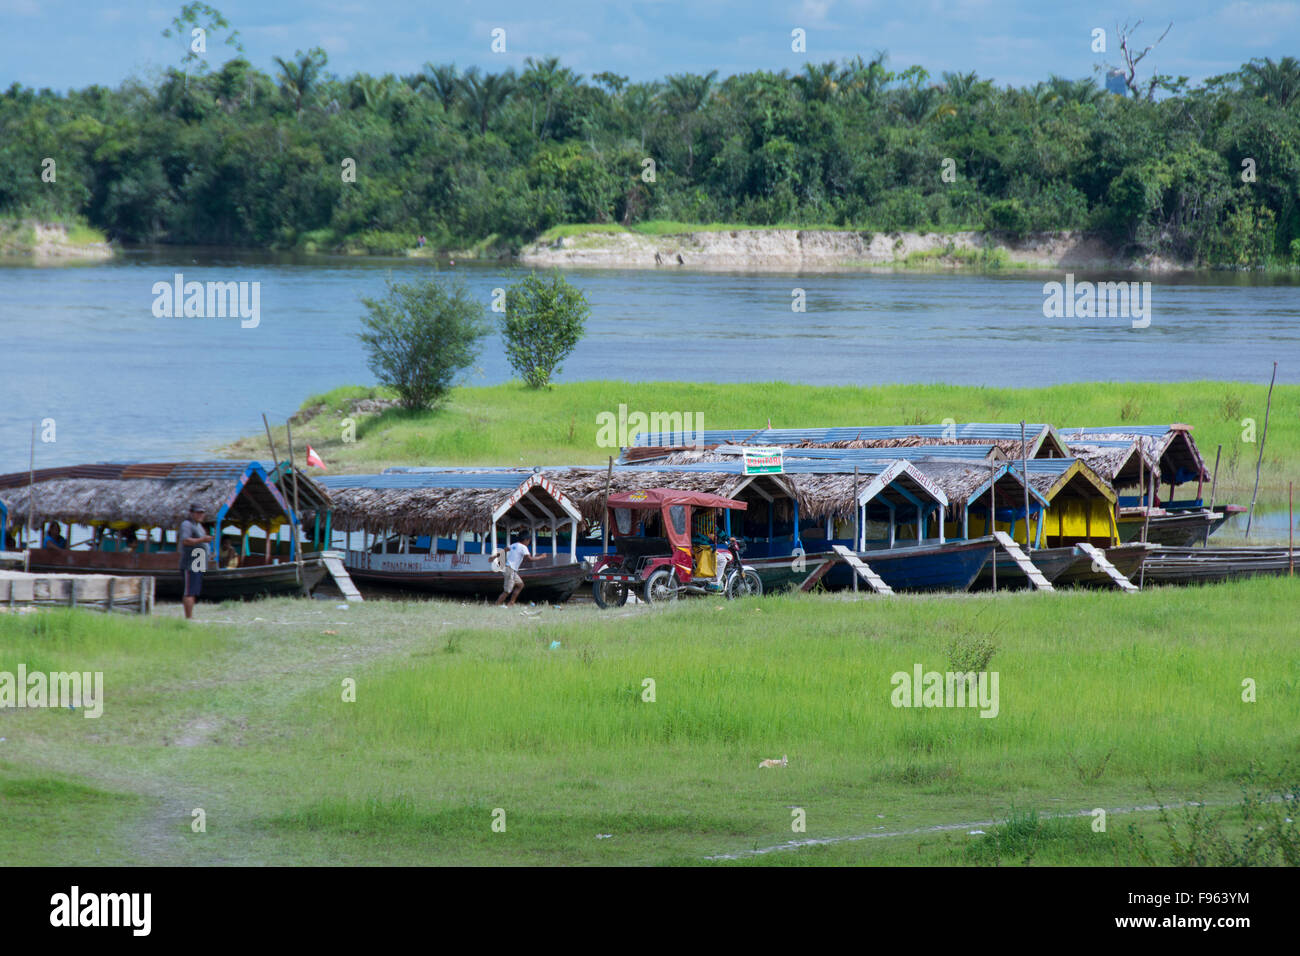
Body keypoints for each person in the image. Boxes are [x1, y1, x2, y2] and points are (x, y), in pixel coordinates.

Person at [178, 504, 214, 620]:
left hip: (198, 563)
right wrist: (203, 539)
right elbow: (185, 541)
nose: (200, 515)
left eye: (202, 512)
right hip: (190, 563)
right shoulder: (187, 524)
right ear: (191, 513)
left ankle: (190, 616)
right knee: (189, 591)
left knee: (193, 591)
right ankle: (188, 618)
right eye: (198, 512)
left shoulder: (199, 526)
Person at [491, 535, 531, 606]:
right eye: (529, 541)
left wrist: (494, 556)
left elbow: (504, 550)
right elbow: (530, 559)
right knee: (507, 591)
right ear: (526, 540)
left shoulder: (513, 545)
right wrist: (541, 557)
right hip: (510, 569)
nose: (528, 543)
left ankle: (511, 603)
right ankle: (496, 605)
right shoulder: (524, 547)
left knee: (520, 585)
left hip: (510, 569)